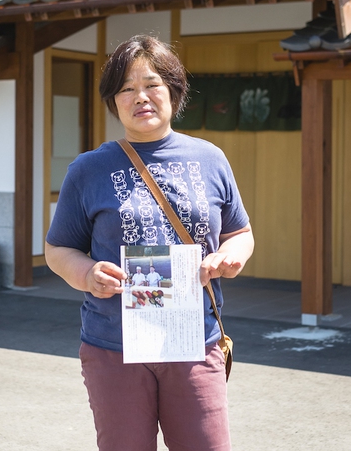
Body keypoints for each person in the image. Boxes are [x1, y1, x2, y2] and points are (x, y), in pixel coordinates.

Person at [45, 35, 254, 451]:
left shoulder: (209, 158)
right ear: (114, 100)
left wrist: (230, 256)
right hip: (114, 346)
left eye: (152, 84)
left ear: (174, 90)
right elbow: (58, 249)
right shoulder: (89, 169)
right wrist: (87, 274)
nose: (140, 97)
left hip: (195, 340)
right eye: (126, 88)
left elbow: (240, 232)